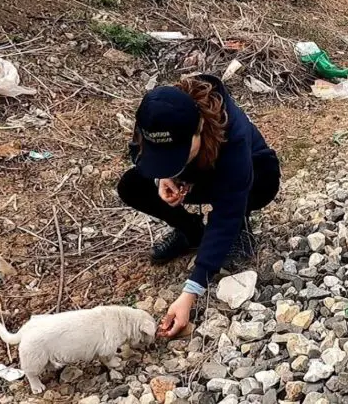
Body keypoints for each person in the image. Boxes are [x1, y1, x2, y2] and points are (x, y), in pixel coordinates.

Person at [117, 74, 280, 337]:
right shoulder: (154, 118)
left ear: (200, 127)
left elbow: (226, 210)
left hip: (249, 175)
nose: (174, 162)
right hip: (198, 177)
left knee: (243, 198)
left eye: (179, 155)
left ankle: (241, 228)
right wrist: (163, 176)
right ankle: (192, 233)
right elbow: (138, 154)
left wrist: (191, 291)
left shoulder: (232, 133)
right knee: (131, 186)